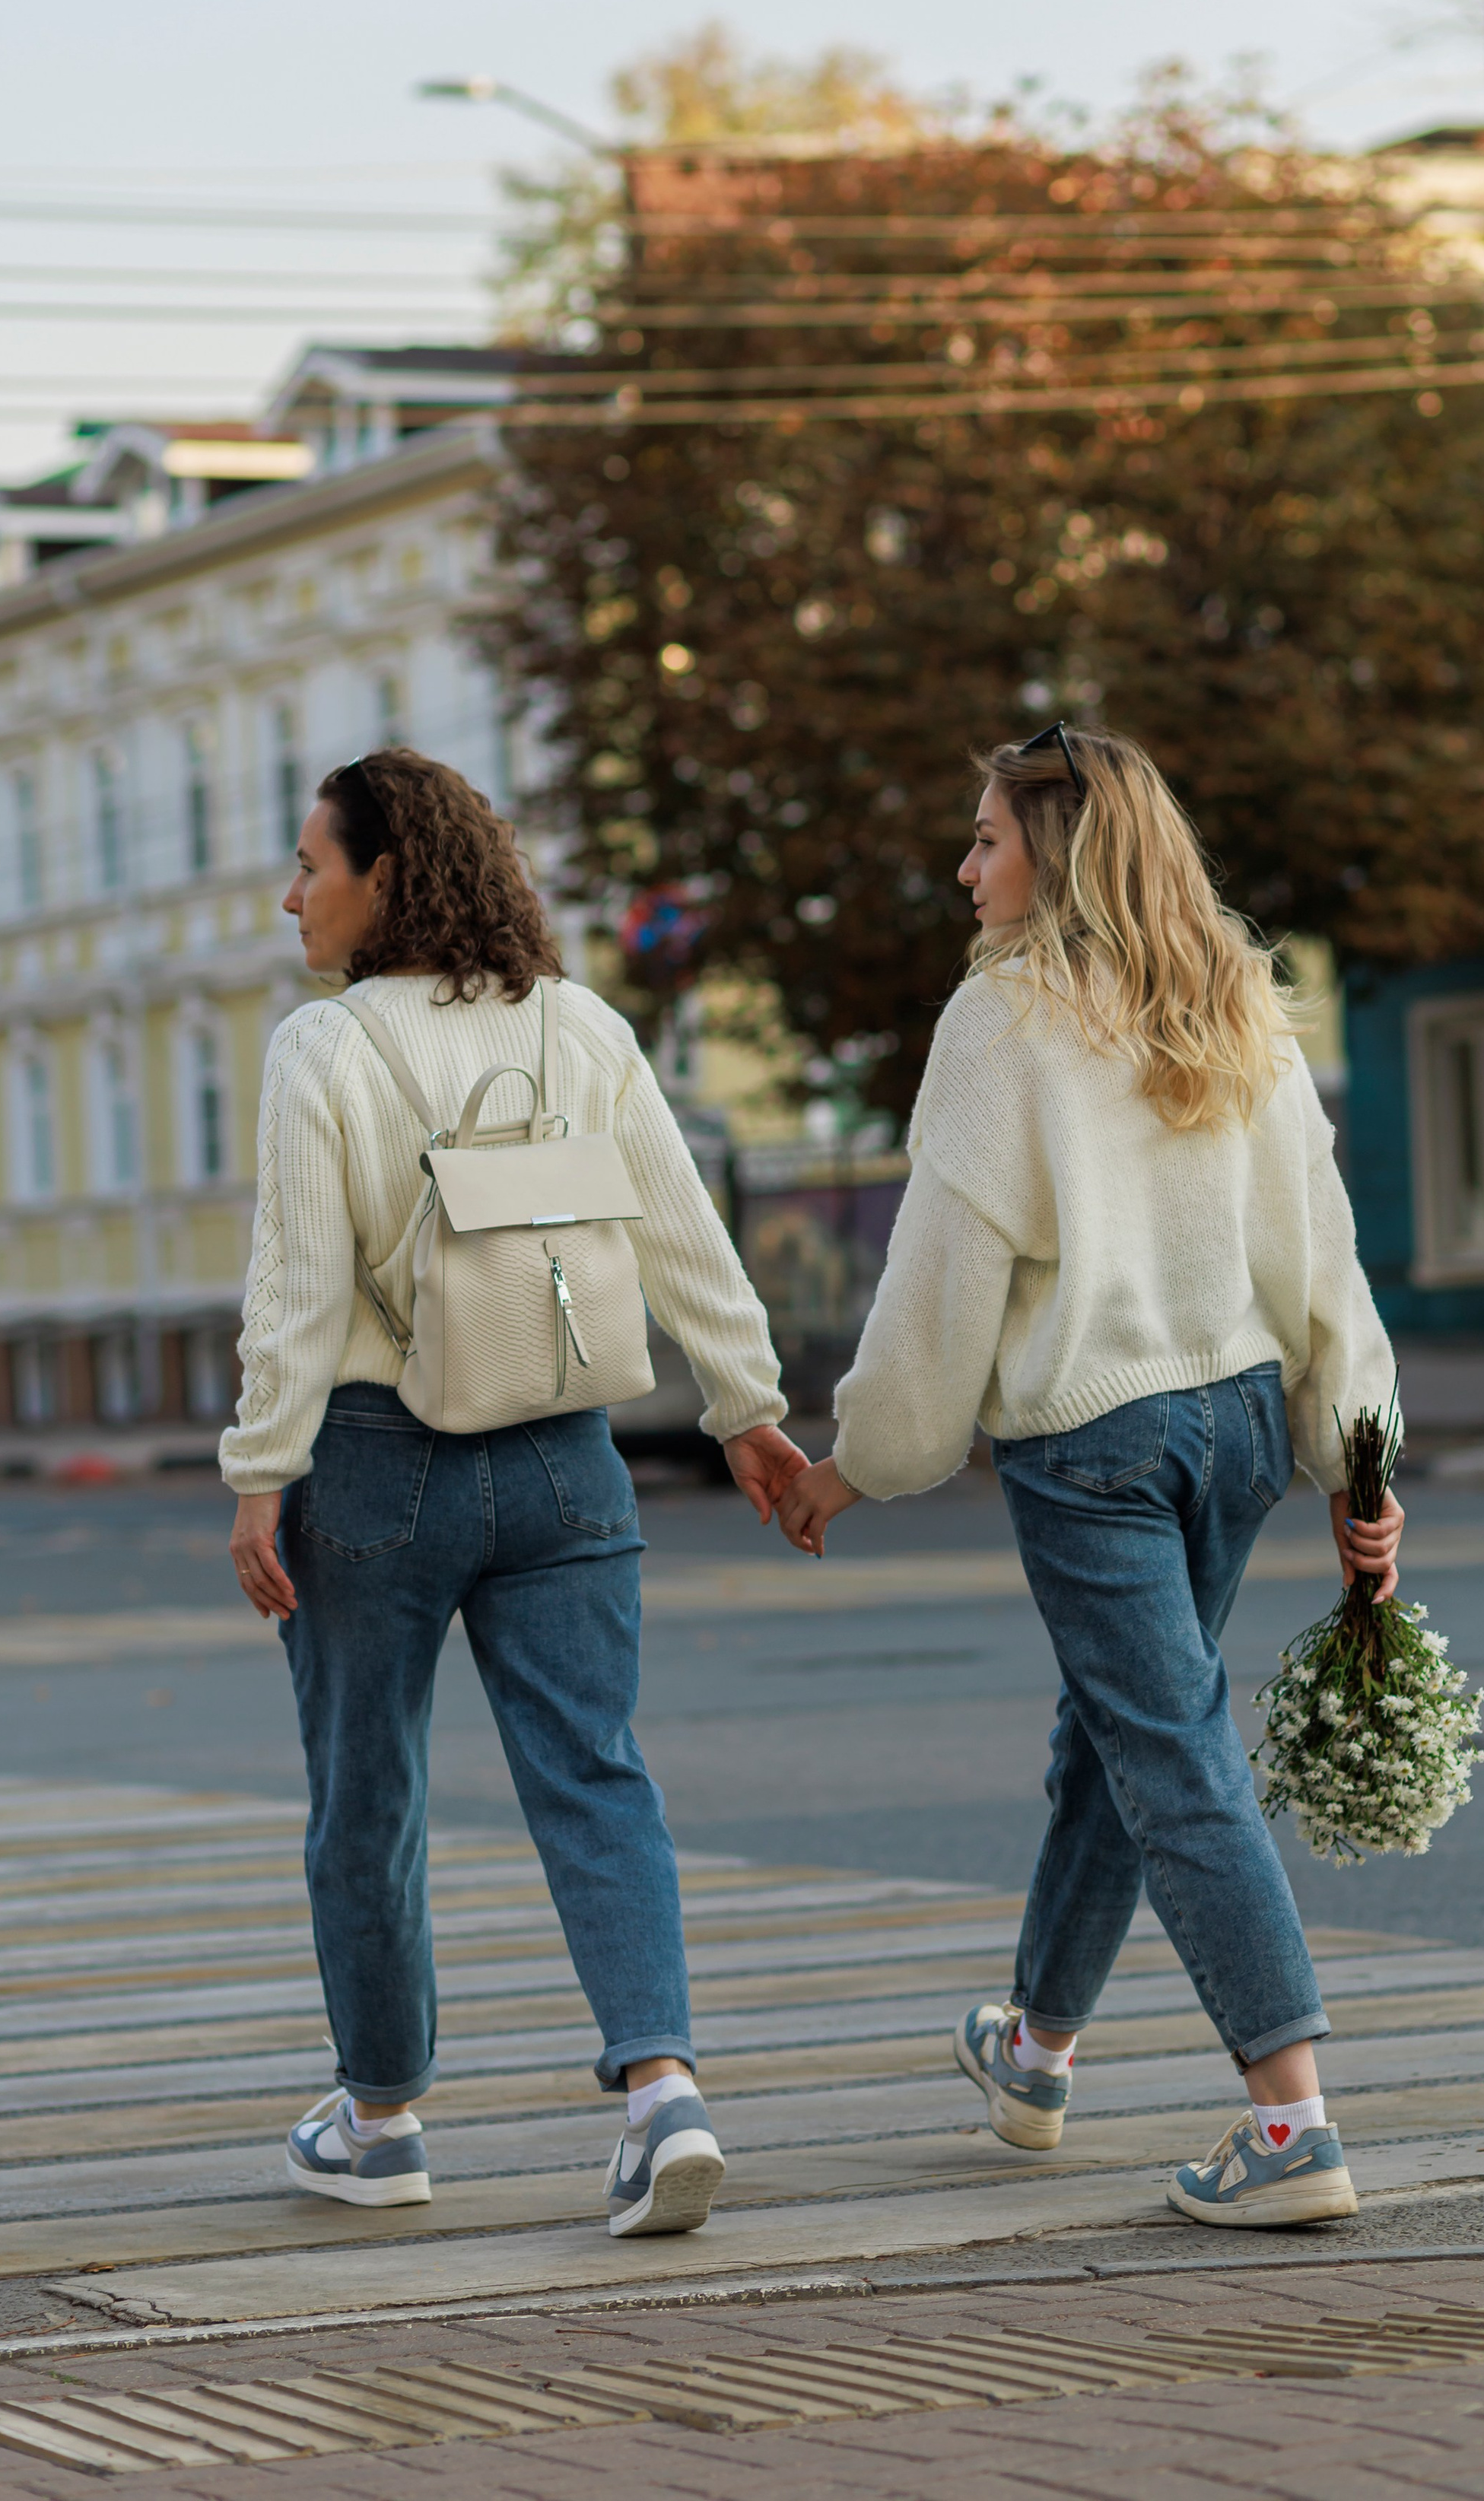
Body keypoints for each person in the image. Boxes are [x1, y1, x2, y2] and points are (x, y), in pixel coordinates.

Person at [776, 725, 1403, 2229]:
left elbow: (937, 1288)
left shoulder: (1003, 1021)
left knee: (1167, 1749)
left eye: (984, 838)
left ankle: (1290, 2123)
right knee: (1121, 1736)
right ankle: (1034, 2049)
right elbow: (1316, 1251)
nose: (961, 867)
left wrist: (848, 1470)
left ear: (1049, 853)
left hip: (1097, 1442)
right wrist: (1354, 1456)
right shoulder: (1232, 992)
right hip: (1241, 1421)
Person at [221, 748, 805, 2237]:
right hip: (565, 1453)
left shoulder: (325, 1048)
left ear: (387, 878)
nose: (292, 895)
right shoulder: (582, 1025)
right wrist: (744, 1411)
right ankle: (661, 2095)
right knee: (596, 1773)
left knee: (370, 1795)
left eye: (312, 866)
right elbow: (683, 1240)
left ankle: (380, 2118)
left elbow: (293, 1293)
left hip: (373, 1457)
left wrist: (255, 1475)